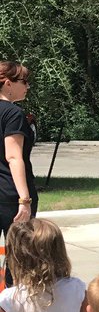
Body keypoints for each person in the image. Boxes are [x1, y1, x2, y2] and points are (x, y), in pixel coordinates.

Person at [0, 61, 37, 274]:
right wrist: (24, 200)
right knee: (19, 259)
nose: (27, 86)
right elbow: (13, 156)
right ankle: (14, 306)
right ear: (8, 84)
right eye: (24, 81)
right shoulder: (13, 114)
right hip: (10, 195)